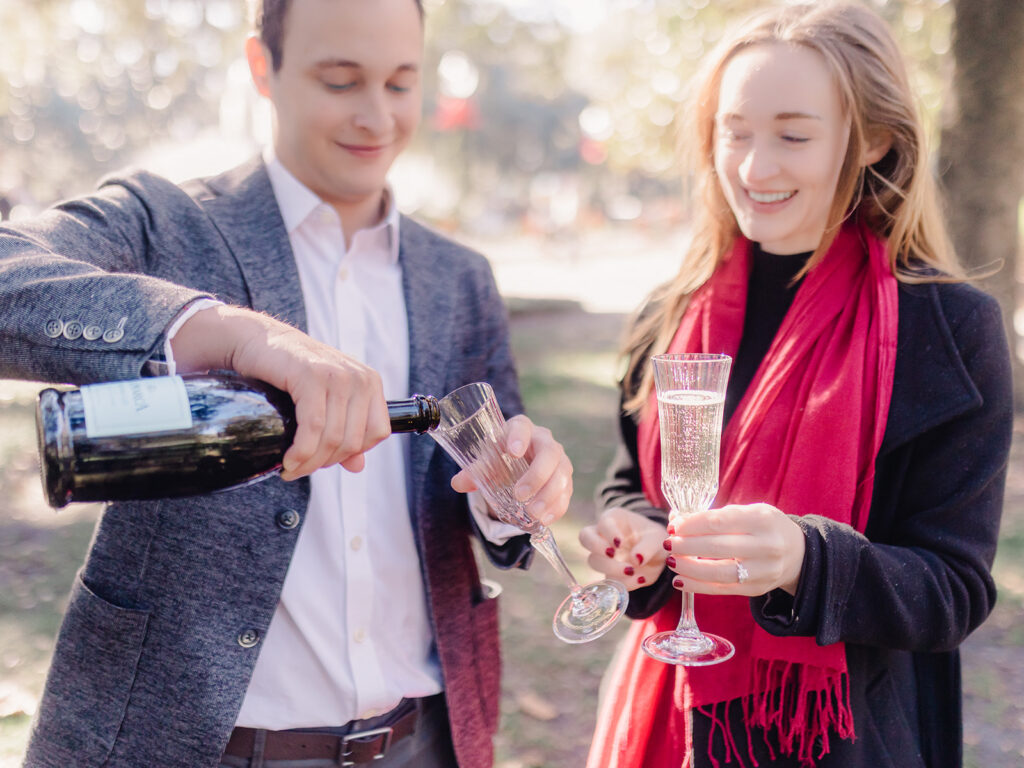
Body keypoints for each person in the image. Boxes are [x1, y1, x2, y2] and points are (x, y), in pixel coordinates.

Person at [0, 0, 575, 766]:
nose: (377, 116)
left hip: (423, 741)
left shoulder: (460, 278)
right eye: (341, 80)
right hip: (189, 747)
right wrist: (225, 331)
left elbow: (482, 486)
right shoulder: (165, 222)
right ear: (260, 67)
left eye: (401, 84)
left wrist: (522, 493)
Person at [578, 3, 1013, 767]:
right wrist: (636, 540)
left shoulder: (950, 328)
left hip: (845, 743)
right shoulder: (668, 312)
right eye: (735, 132)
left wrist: (808, 562)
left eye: (793, 135)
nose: (754, 167)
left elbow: (954, 592)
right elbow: (630, 486)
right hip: (665, 727)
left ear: (873, 137)